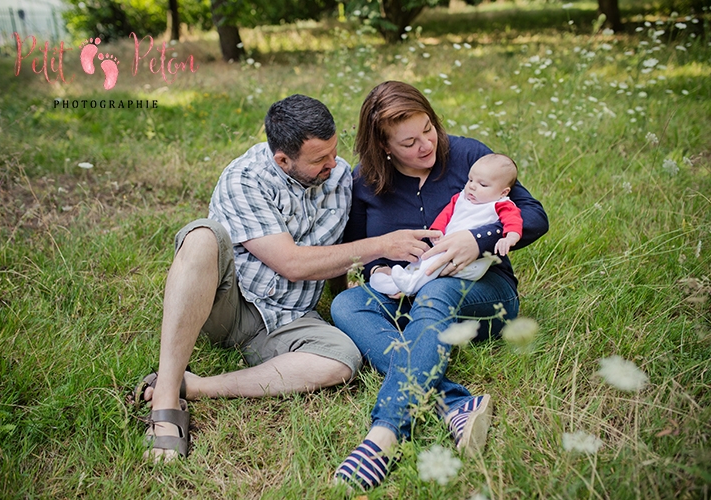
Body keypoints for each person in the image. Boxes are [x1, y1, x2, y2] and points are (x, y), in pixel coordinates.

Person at [135, 94, 440, 462]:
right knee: (201, 237)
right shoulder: (245, 179)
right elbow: (292, 264)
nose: (333, 164)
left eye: (333, 151)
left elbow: (334, 246)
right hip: (229, 304)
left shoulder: (340, 176)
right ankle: (166, 399)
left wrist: (345, 289)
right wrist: (381, 245)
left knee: (341, 360)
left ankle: (199, 387)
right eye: (318, 160)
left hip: (290, 317)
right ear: (283, 159)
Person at [330, 81, 548, 490]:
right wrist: (377, 271)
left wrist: (478, 239)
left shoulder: (469, 155)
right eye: (409, 142)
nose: (426, 145)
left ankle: (386, 433)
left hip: (486, 293)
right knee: (346, 305)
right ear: (384, 146)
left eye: (428, 129)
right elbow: (361, 249)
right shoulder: (367, 180)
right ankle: (454, 402)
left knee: (435, 293)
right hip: (407, 288)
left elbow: (535, 216)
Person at [370, 153, 523, 296]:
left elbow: (514, 221)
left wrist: (509, 238)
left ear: (503, 192)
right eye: (470, 180)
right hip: (447, 249)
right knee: (425, 258)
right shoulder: (461, 198)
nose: (472, 186)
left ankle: (410, 286)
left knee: (434, 262)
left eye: (482, 184)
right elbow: (446, 214)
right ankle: (395, 281)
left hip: (471, 261)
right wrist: (437, 231)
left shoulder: (500, 204)